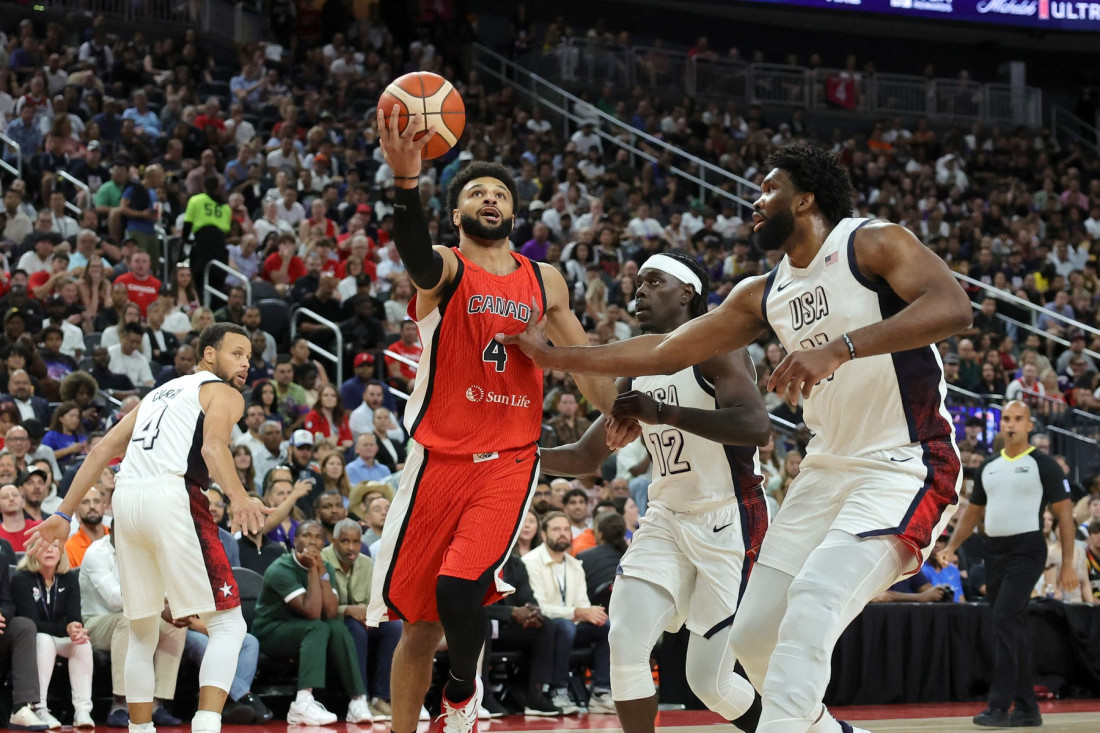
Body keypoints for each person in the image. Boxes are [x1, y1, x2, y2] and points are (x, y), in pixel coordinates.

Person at [501, 143, 974, 733]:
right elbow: (665, 350)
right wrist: (552, 357)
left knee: (811, 605)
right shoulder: (762, 291)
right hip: (823, 472)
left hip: (902, 462)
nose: (754, 201)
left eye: (768, 188)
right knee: (753, 637)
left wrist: (840, 347)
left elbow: (955, 307)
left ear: (804, 199)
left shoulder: (870, 242)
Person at [365, 108, 615, 733]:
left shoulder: (544, 279)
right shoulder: (447, 267)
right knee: (419, 624)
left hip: (508, 458)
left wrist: (620, 407)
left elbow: (583, 361)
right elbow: (419, 260)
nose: (490, 199)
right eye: (476, 192)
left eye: (500, 193)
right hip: (435, 461)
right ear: (456, 213)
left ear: (513, 212)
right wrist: (404, 187)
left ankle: (460, 694)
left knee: (458, 590)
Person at [539, 251, 769, 733]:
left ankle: (801, 729)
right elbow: (586, 458)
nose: (638, 291)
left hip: (729, 517)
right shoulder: (639, 364)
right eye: (636, 283)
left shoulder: (719, 346)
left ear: (687, 292)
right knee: (623, 637)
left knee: (708, 681)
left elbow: (755, 426)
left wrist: (662, 414)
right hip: (665, 517)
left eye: (653, 282)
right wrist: (516, 457)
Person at [25, 323, 271, 733]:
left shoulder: (160, 392)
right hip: (172, 495)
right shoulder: (223, 392)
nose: (246, 362)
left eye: (249, 356)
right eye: (237, 353)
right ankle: (207, 725)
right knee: (229, 624)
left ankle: (141, 729)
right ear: (209, 355)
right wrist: (239, 496)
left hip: (127, 502)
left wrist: (63, 513)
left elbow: (103, 448)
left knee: (142, 629)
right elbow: (213, 447)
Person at [938, 401, 1077, 728]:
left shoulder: (1044, 465)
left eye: (1018, 419)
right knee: (1008, 627)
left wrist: (1068, 564)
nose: (1011, 425)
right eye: (1007, 420)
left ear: (1030, 425)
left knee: (1003, 618)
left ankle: (1000, 706)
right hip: (993, 551)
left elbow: (1066, 516)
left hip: (1027, 550)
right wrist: (952, 547)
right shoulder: (988, 466)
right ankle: (1028, 706)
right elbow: (972, 514)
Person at [252, 519, 373, 724]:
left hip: (302, 627)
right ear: (295, 540)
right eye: (307, 535)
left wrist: (322, 573)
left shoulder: (325, 566)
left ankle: (357, 700)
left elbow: (331, 612)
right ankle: (302, 703)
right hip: (271, 630)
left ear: (324, 543)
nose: (313, 541)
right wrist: (312, 571)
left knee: (335, 626)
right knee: (317, 627)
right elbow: (313, 612)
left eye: (318, 537)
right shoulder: (280, 568)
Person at [522, 511, 613, 714]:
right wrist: (578, 612)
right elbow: (539, 607)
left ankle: (601, 692)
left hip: (570, 626)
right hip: (542, 628)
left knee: (605, 624)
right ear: (544, 535)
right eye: (556, 529)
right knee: (565, 626)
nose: (563, 534)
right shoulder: (530, 561)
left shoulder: (575, 564)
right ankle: (559, 691)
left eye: (566, 529)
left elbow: (582, 603)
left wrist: (588, 613)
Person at [322, 518, 402, 722]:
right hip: (332, 620)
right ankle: (360, 698)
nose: (352, 547)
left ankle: (381, 697)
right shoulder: (322, 560)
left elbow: (374, 599)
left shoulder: (366, 563)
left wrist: (367, 611)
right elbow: (321, 605)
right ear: (333, 540)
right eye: (345, 541)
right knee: (354, 630)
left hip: (362, 618)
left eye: (356, 542)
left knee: (393, 627)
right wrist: (347, 610)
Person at [11, 544, 94, 729]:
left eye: (55, 546)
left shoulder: (69, 578)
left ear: (61, 552)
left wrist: (75, 627)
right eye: (44, 546)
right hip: (35, 640)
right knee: (44, 640)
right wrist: (65, 629)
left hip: (59, 636)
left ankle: (82, 710)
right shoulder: (21, 579)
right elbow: (32, 623)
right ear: (33, 551)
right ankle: (39, 708)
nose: (50, 550)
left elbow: (74, 616)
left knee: (82, 643)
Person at [182, 176, 232, 299]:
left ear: (203, 187)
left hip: (203, 243)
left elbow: (188, 223)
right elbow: (227, 230)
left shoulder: (196, 200)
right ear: (218, 188)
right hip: (219, 245)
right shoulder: (226, 207)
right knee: (218, 278)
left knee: (198, 277)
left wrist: (185, 240)